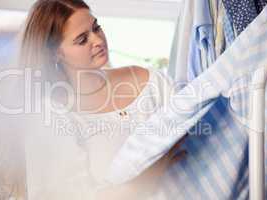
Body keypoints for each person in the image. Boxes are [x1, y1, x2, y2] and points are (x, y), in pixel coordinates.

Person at [20, 0, 187, 199]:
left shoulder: (153, 82)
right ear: (55, 53)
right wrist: (156, 169)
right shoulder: (53, 117)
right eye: (82, 39)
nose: (97, 40)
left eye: (96, 28)